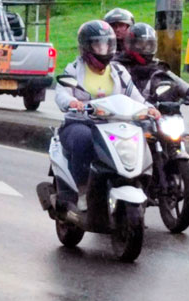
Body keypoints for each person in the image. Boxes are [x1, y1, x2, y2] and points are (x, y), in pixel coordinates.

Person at [54, 20, 153, 207]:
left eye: (107, 43)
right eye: (98, 44)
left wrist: (150, 109)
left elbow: (135, 96)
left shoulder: (117, 70)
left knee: (145, 136)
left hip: (114, 123)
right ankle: (82, 190)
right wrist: (73, 102)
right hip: (82, 122)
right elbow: (61, 93)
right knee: (83, 140)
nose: (104, 48)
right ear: (86, 46)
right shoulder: (74, 69)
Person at [116, 22, 189, 106]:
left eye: (149, 45)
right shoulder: (117, 66)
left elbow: (174, 79)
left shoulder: (156, 66)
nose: (145, 48)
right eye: (140, 44)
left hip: (152, 113)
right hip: (123, 112)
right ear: (130, 44)